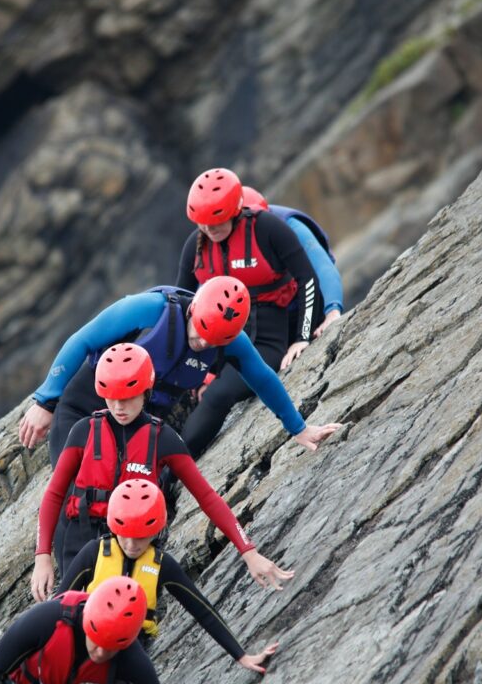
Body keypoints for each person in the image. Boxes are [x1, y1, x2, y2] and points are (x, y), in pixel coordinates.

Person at [31, 343, 293, 593]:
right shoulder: (83, 431)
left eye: (128, 397)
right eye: (111, 397)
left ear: (145, 391)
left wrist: (248, 551)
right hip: (79, 539)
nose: (119, 407)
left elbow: (207, 497)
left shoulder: (163, 439)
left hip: (133, 544)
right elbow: (54, 495)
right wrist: (42, 557)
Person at [18, 275, 340, 463]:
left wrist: (299, 429)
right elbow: (82, 340)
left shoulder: (230, 342)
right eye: (198, 331)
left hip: (139, 420)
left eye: (210, 341)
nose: (200, 342)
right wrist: (46, 401)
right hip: (88, 401)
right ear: (194, 308)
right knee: (75, 487)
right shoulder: (151, 309)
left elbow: (264, 380)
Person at [59, 479, 282, 674]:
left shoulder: (162, 564)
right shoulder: (94, 552)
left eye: (140, 537)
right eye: (125, 535)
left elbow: (202, 610)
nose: (131, 545)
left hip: (129, 650)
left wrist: (241, 655)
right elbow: (58, 604)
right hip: (86, 639)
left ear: (156, 530)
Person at [175, 168, 322, 456]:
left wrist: (302, 337)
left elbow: (308, 278)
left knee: (219, 394)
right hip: (217, 341)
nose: (210, 229)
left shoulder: (266, 228)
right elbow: (182, 306)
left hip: (267, 339)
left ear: (234, 210)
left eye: (217, 222)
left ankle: (170, 469)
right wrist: (198, 369)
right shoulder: (195, 245)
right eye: (203, 223)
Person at [0, 575, 165, 684]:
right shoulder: (48, 618)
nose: (100, 653)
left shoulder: (132, 659)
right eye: (97, 640)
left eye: (110, 648)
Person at [241, 185, 344, 340]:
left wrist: (332, 311)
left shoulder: (288, 224)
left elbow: (322, 266)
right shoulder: (219, 243)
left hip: (310, 306)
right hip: (267, 321)